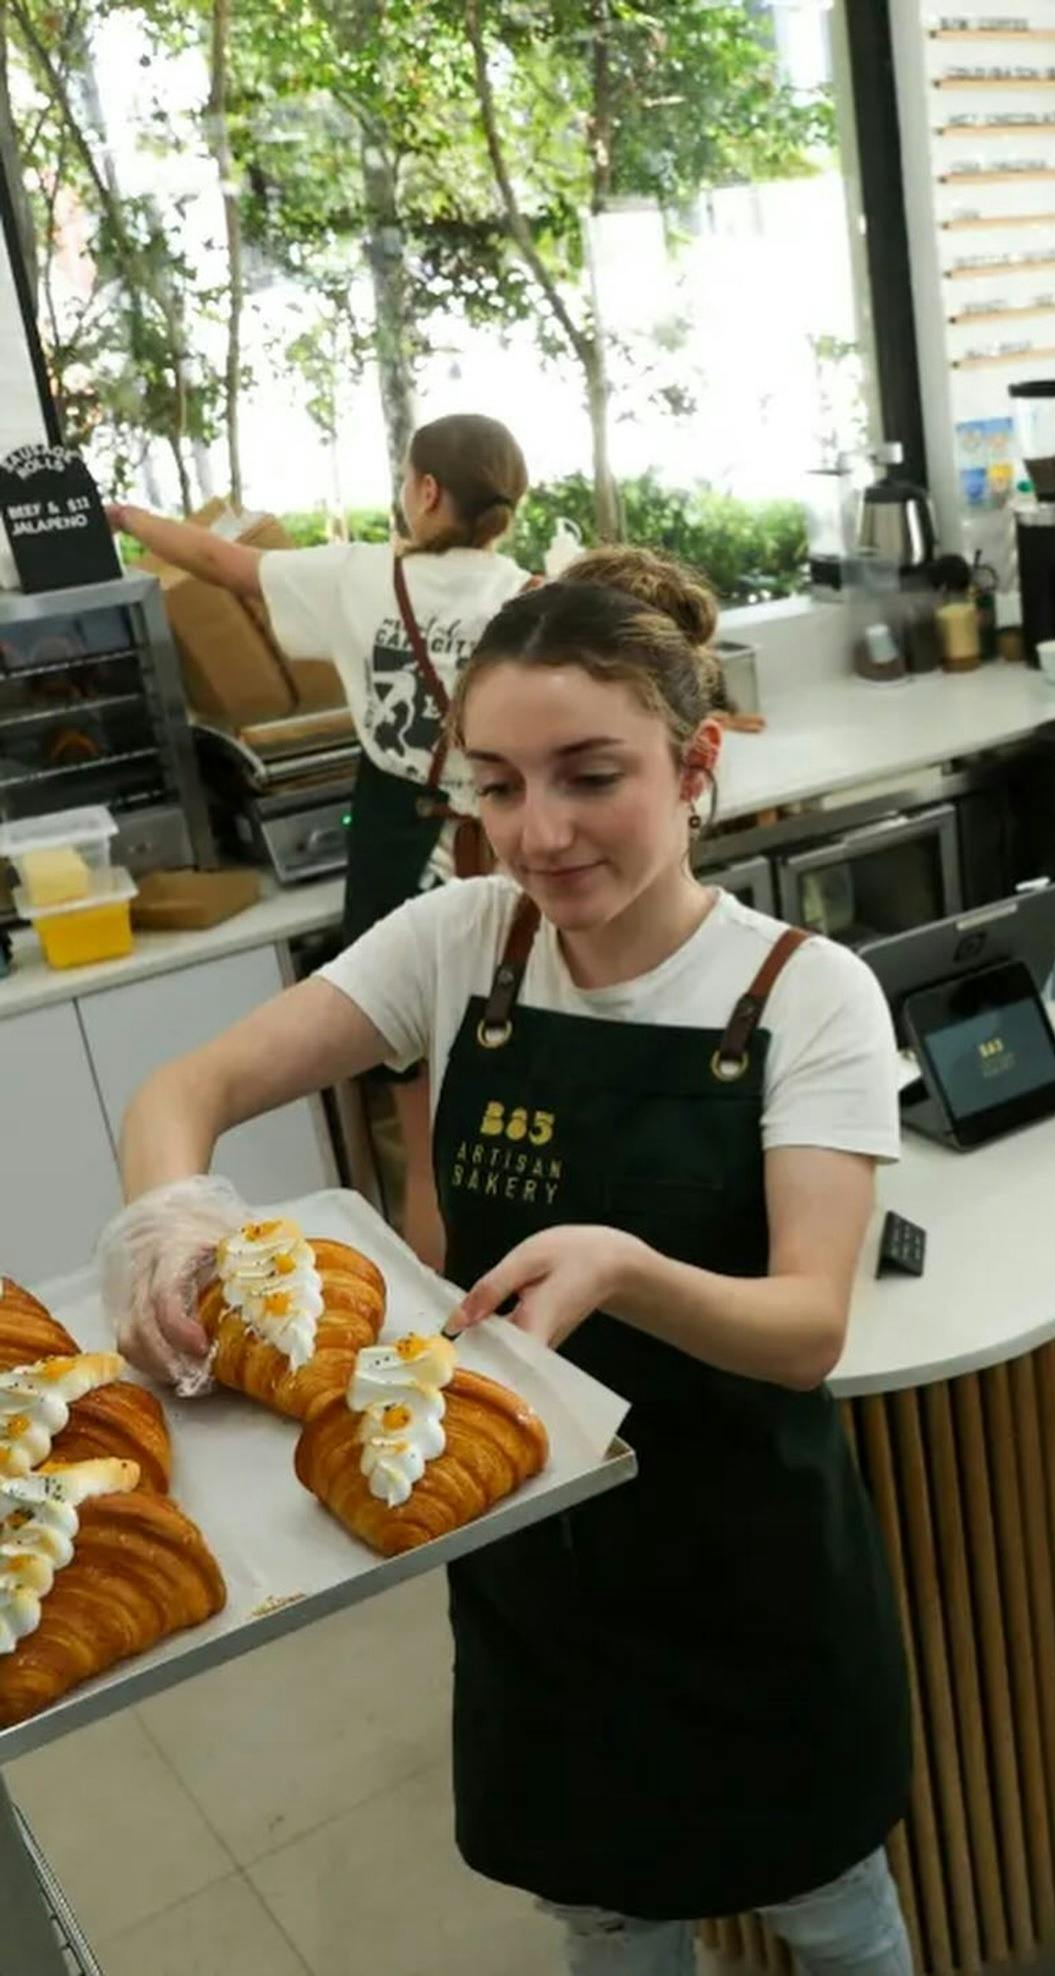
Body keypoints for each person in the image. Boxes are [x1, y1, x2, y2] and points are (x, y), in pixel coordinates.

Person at [104, 575, 915, 1974]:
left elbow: (804, 1330)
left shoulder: (804, 993)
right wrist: (171, 1220)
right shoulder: (459, 944)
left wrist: (629, 1268)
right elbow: (197, 1081)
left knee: (832, 1914)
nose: (538, 833)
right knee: (611, 1923)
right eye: (498, 785)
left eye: (591, 777)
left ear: (695, 766)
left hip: (747, 1567)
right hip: (531, 1567)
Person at [108, 415, 532, 1269]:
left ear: (425, 492)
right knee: (516, 1105)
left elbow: (225, 566)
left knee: (421, 1130)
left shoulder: (358, 575)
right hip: (499, 847)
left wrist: (129, 519)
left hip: (393, 848)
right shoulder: (530, 596)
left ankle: (438, 1333)